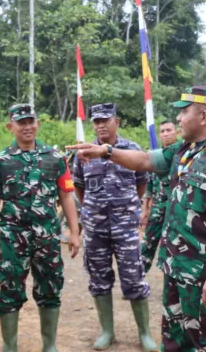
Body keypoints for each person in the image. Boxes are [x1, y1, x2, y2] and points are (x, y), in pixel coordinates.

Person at [68, 86, 206, 351]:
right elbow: (144, 160)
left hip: (205, 274)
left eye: (184, 112)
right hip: (177, 267)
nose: (178, 119)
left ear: (203, 116)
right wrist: (107, 152)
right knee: (175, 341)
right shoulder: (185, 149)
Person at [0, 103, 80, 352]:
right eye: (21, 122)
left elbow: (67, 196)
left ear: (37, 124)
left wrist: (74, 232)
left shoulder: (55, 159)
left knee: (50, 287)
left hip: (47, 236)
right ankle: (9, 346)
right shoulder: (0, 162)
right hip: (12, 237)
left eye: (31, 121)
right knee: (9, 289)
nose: (27, 127)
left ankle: (49, 346)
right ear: (11, 126)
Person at [73, 103, 156, 351]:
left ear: (116, 122)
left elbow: (141, 184)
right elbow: (79, 187)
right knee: (99, 279)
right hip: (95, 227)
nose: (100, 125)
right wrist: (92, 210)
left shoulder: (131, 150)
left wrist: (127, 208)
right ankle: (107, 331)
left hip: (125, 227)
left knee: (134, 279)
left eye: (105, 120)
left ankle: (145, 334)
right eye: (96, 121)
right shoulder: (83, 153)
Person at [140, 121, 181, 274]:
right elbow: (149, 186)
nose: (165, 134)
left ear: (176, 132)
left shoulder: (182, 153)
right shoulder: (156, 156)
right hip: (157, 208)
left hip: (176, 208)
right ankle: (138, 279)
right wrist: (145, 209)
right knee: (148, 243)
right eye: (162, 131)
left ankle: (171, 282)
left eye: (169, 130)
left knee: (173, 245)